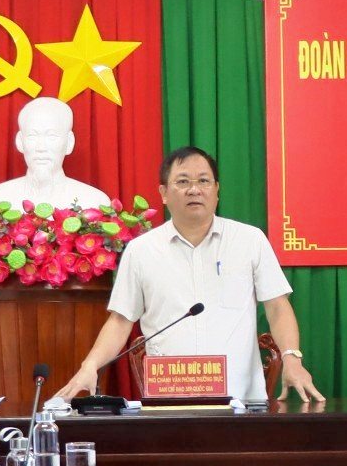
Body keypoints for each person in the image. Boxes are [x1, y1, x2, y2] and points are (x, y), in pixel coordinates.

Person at [51, 147, 324, 407]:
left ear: (217, 190)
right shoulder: (141, 250)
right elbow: (121, 320)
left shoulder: (249, 240)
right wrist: (90, 366)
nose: (194, 189)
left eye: (204, 181)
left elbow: (277, 307)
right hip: (169, 403)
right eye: (183, 182)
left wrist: (292, 358)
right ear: (164, 193)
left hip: (240, 402)